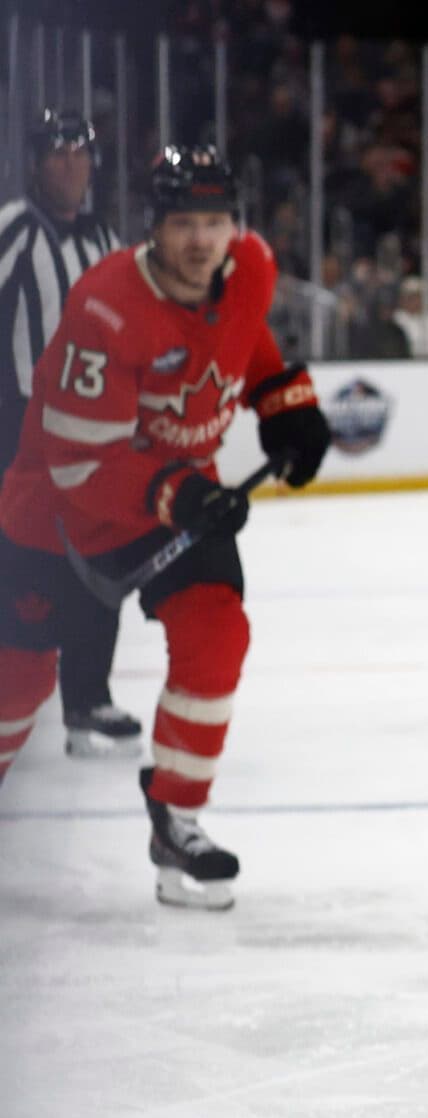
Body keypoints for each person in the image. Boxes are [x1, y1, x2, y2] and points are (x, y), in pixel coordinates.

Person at [0, 146, 332, 908]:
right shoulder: (105, 305)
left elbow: (244, 343)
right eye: (184, 222)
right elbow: (80, 463)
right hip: (57, 507)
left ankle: (177, 821)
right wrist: (179, 496)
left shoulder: (249, 266)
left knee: (218, 632)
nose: (201, 240)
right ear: (154, 227)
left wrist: (289, 407)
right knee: (16, 686)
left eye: (215, 222)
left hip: (174, 492)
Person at [0, 111, 133, 756]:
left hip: (92, 436)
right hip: (17, 433)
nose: (72, 165)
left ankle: (88, 698)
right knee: (25, 563)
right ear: (34, 164)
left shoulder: (106, 241)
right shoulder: (15, 231)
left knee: (100, 561)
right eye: (58, 154)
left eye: (81, 154)